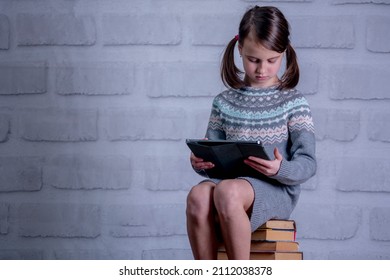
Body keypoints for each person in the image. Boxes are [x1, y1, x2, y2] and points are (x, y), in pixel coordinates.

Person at [186, 6, 317, 260]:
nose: (262, 70)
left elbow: (308, 163)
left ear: (284, 53)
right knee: (198, 195)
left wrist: (281, 169)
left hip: (275, 188)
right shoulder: (223, 102)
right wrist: (201, 162)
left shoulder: (294, 102)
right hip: (231, 184)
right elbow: (214, 155)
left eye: (272, 61)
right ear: (240, 50)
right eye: (253, 60)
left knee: (227, 192)